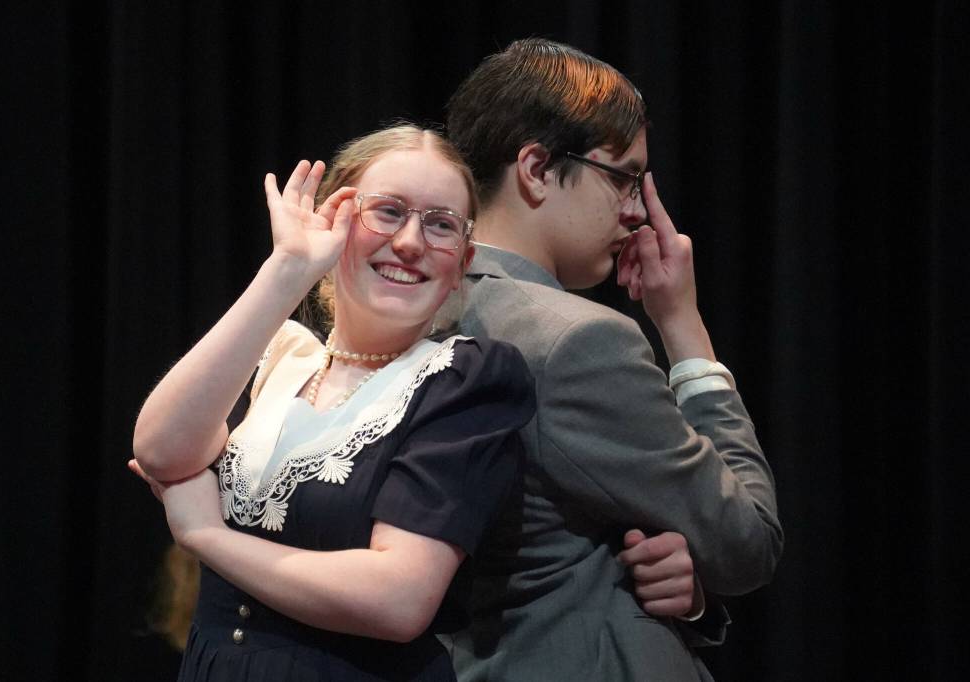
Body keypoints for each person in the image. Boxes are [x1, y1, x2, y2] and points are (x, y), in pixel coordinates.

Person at [129, 124, 537, 681]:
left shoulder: (461, 381)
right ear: (335, 219)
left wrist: (206, 537)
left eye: (440, 225)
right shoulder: (282, 358)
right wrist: (288, 269)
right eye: (389, 212)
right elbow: (159, 448)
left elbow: (398, 600)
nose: (412, 242)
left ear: (461, 262)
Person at [438, 39, 784, 681]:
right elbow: (746, 541)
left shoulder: (410, 309)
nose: (635, 211)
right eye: (624, 176)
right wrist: (681, 322)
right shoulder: (577, 340)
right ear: (537, 169)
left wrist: (680, 580)